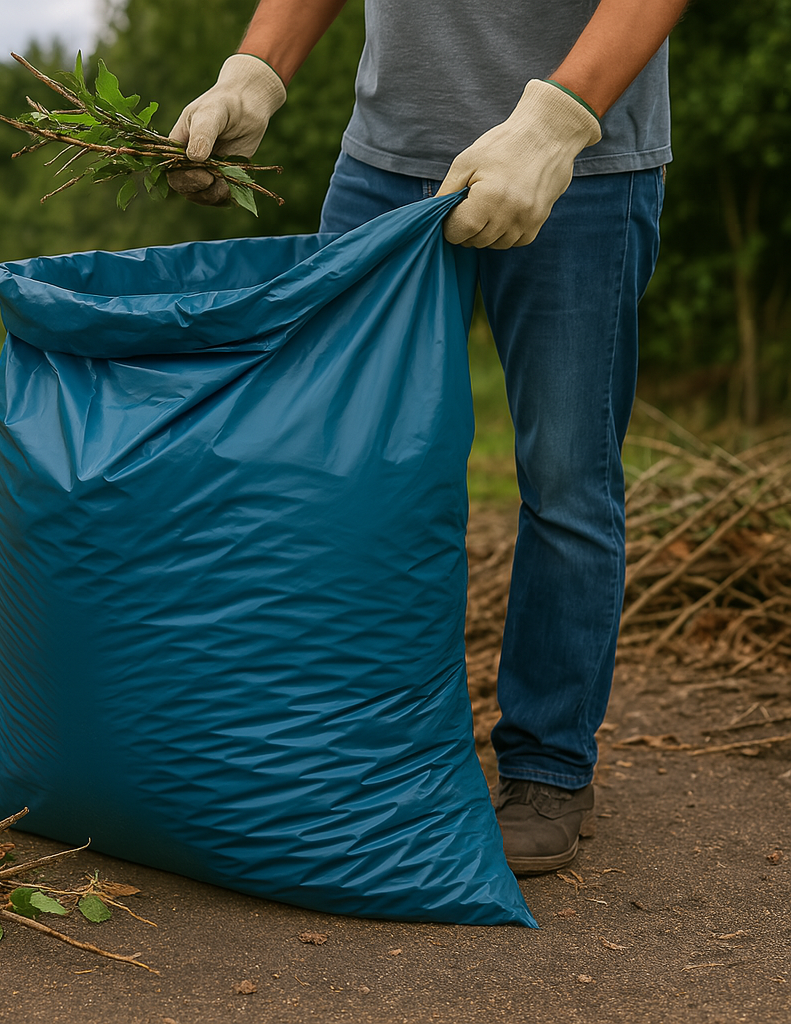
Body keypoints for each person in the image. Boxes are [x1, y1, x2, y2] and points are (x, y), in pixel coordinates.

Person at [167, 0, 689, 875]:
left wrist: (556, 122)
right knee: (329, 467)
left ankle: (547, 765)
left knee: (565, 475)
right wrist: (254, 70)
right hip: (384, 165)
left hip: (582, 168)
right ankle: (343, 750)